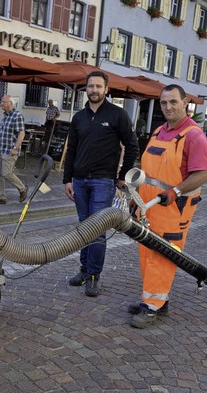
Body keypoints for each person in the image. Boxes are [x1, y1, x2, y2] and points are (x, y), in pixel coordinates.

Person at [129, 84, 207, 329]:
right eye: (163, 103)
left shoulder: (194, 135)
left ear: (184, 102)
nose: (168, 107)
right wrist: (137, 196)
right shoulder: (158, 132)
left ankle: (152, 307)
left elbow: (205, 172)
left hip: (173, 210)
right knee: (146, 253)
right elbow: (149, 173)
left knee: (163, 256)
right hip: (149, 207)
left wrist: (175, 191)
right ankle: (156, 300)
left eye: (173, 102)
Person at [63, 71, 138, 297]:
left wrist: (122, 175)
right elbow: (72, 150)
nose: (94, 90)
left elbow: (132, 145)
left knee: (97, 231)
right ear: (86, 88)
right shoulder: (79, 117)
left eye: (98, 86)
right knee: (83, 228)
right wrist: (67, 179)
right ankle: (85, 270)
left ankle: (94, 276)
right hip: (79, 180)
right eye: (90, 86)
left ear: (106, 89)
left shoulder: (117, 115)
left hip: (103, 181)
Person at [0, 95, 28, 205]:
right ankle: (1, 197)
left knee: (6, 173)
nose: (1, 104)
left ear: (10, 103)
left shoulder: (17, 116)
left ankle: (22, 189)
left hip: (10, 150)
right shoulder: (5, 116)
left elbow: (22, 133)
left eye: (3, 102)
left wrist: (15, 148)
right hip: (1, 150)